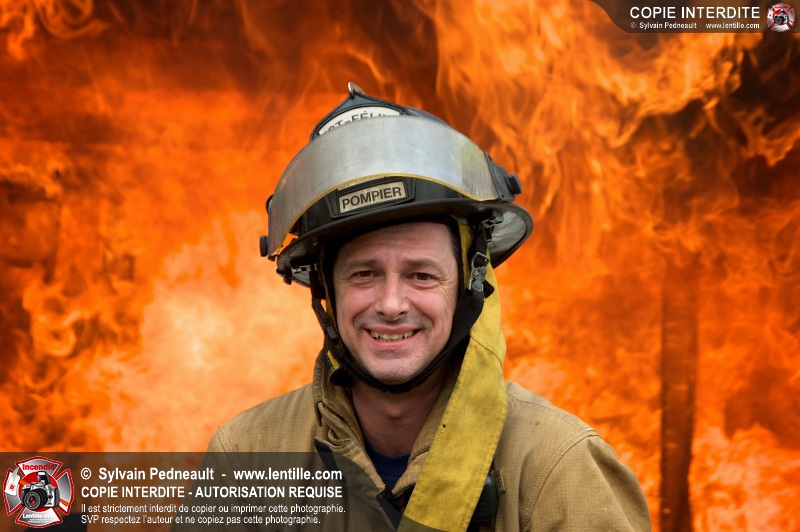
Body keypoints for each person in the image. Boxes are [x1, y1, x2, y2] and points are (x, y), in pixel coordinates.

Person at [181, 83, 651, 531]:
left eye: (422, 275)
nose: (391, 304)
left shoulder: (558, 467)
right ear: (326, 291)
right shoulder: (245, 456)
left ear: (469, 284)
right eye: (364, 274)